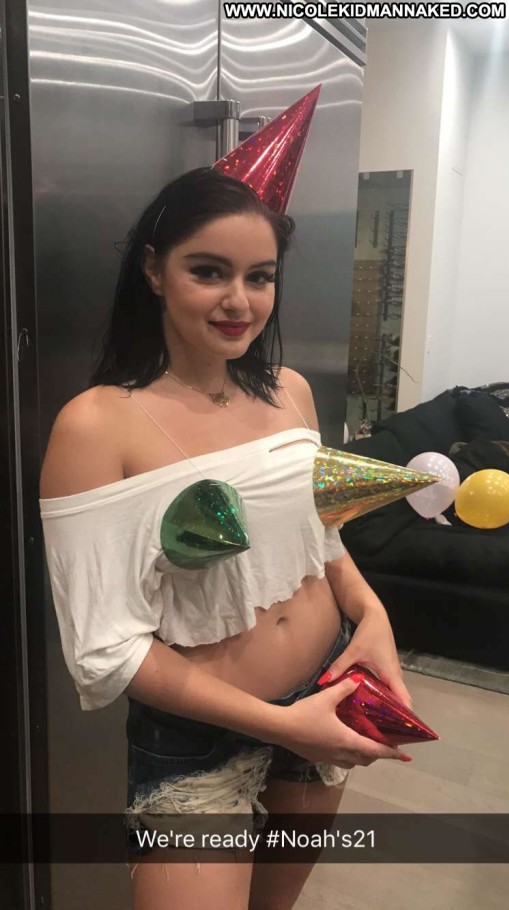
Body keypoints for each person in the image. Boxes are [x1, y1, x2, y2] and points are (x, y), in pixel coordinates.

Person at [39, 167, 413, 910]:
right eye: (209, 271)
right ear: (154, 270)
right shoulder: (95, 425)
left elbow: (317, 539)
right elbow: (105, 647)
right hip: (200, 738)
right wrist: (282, 725)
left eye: (259, 276)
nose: (239, 301)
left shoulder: (291, 391)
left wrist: (372, 616)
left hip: (327, 689)